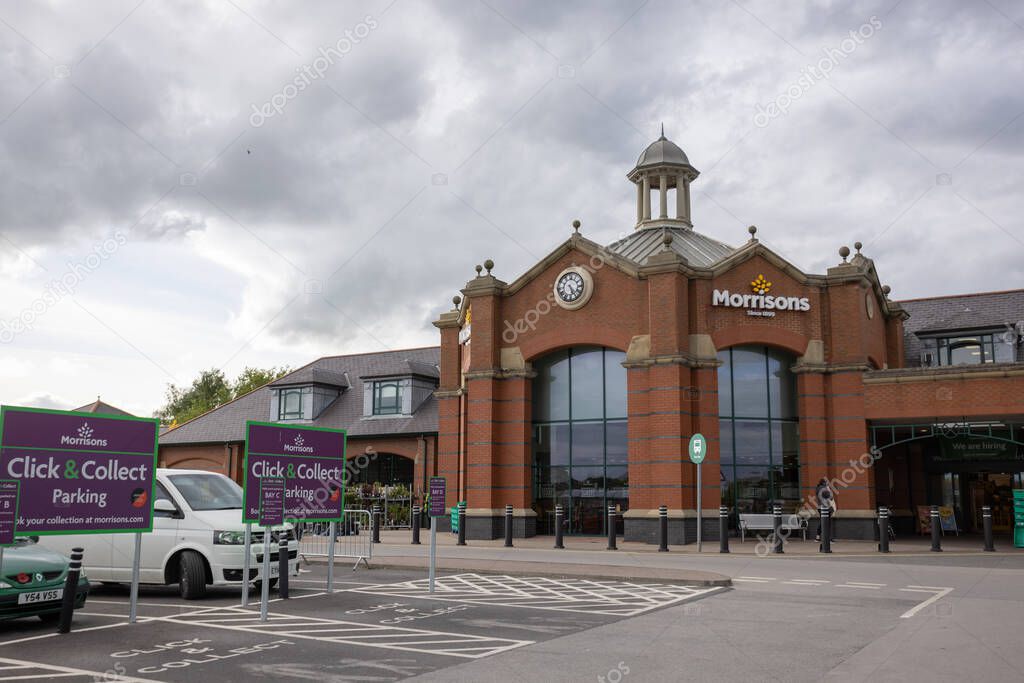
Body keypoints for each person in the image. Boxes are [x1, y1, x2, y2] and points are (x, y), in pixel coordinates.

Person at [814, 478, 837, 542]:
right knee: (827, 522)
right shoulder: (824, 489)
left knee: (823, 522)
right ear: (824, 483)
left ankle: (818, 537)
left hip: (820, 507)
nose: (828, 483)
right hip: (825, 507)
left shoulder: (818, 488)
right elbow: (831, 497)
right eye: (827, 482)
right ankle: (828, 538)